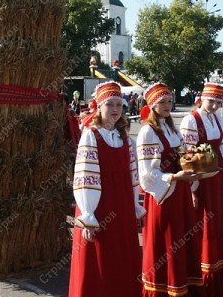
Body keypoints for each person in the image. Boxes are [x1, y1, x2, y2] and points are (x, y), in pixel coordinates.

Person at [68, 81, 146, 297]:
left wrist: (135, 208)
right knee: (99, 263)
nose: (114, 110)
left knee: (121, 260)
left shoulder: (124, 138)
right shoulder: (91, 135)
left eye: (118, 105)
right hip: (99, 209)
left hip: (122, 212)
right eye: (109, 104)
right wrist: (88, 216)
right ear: (99, 107)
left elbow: (133, 178)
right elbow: (85, 177)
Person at [137, 83, 206, 297]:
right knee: (167, 244)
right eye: (162, 102)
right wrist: (175, 176)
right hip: (163, 197)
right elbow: (147, 174)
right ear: (152, 105)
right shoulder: (147, 133)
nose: (167, 105)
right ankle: (165, 288)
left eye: (169, 101)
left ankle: (182, 285)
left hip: (180, 193)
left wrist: (194, 164)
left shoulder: (171, 128)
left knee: (182, 240)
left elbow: (182, 157)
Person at [179, 82, 223, 297]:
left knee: (218, 226)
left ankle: (219, 273)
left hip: (216, 182)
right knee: (202, 228)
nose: (214, 105)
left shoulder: (218, 119)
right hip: (200, 182)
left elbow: (222, 155)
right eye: (211, 101)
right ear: (202, 98)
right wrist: (191, 190)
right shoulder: (191, 120)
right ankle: (201, 279)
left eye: (218, 102)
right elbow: (187, 159)